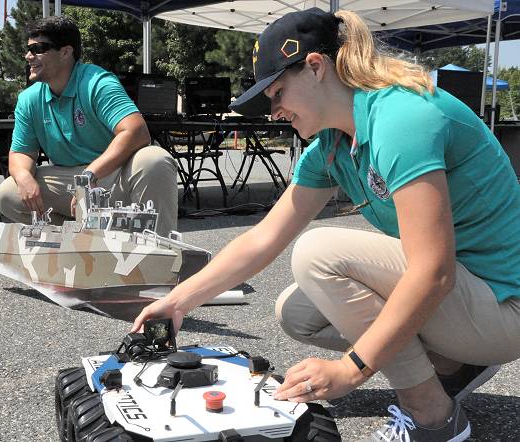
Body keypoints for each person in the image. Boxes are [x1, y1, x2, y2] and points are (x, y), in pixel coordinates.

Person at [132, 8, 520, 441]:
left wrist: (350, 369)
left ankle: (433, 416)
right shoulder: (332, 145)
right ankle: (453, 365)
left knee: (319, 254)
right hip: (469, 301)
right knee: (298, 313)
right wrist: (180, 301)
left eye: (277, 94)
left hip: (505, 305)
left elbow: (434, 271)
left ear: (315, 67)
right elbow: (263, 237)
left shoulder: (402, 116)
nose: (274, 112)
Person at [0, 16, 178, 237]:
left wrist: (90, 176)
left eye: (38, 48)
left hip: (112, 176)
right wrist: (24, 177)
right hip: (71, 181)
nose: (28, 56)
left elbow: (136, 131)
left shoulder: (98, 83)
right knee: (8, 193)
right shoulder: (28, 99)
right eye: (28, 49)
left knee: (154, 159)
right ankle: (81, 243)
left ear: (66, 52)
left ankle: (158, 258)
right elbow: (21, 153)